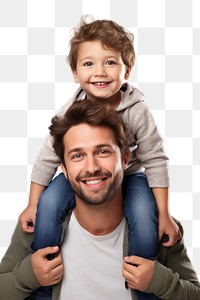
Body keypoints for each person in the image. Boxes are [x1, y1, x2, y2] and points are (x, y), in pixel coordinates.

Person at [19, 16, 181, 299]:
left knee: (145, 219)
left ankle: (142, 289)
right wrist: (32, 203)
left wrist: (165, 214)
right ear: (74, 72)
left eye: (110, 62)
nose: (100, 72)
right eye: (89, 63)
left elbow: (156, 159)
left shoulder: (137, 111)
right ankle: (44, 284)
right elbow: (46, 158)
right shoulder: (70, 110)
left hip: (128, 178)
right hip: (79, 178)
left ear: (127, 70)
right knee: (48, 207)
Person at [0, 100, 200, 300]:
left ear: (125, 159)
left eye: (103, 151)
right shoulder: (37, 223)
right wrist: (28, 276)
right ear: (64, 169)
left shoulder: (160, 229)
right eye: (78, 155)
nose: (92, 167)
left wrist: (160, 281)